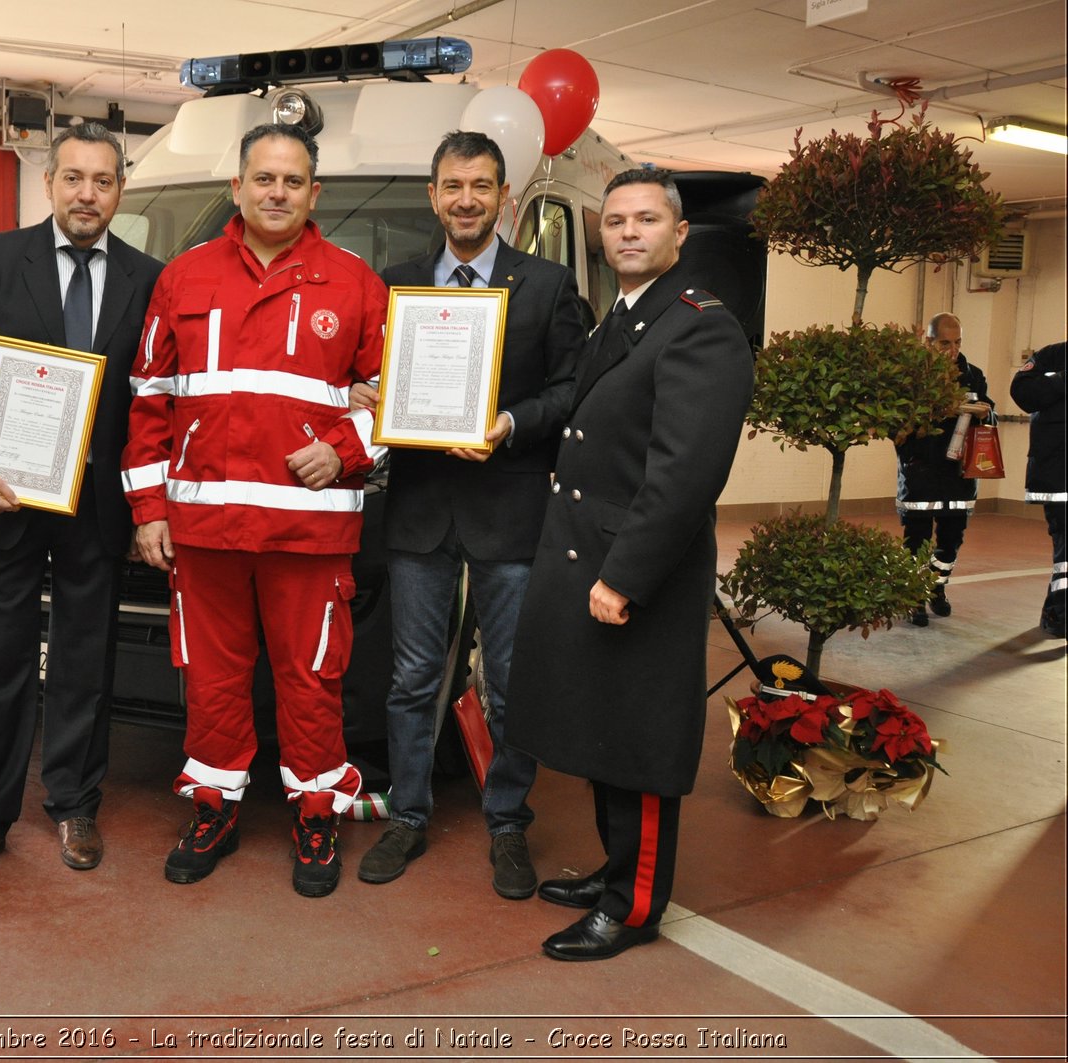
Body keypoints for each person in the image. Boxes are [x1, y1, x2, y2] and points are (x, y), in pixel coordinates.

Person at [121, 123, 388, 897]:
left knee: (310, 678)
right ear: (235, 187)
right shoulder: (184, 277)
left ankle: (315, 809)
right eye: (263, 178)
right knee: (211, 678)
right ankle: (214, 804)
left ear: (315, 194)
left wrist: (344, 449)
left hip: (308, 533)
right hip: (203, 531)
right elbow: (150, 399)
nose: (277, 192)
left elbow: (397, 396)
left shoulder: (353, 281)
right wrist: (148, 509)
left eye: (293, 180)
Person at [506, 169, 753, 961]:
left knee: (638, 740)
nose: (629, 232)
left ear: (680, 234)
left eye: (647, 219)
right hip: (589, 555)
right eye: (615, 221)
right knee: (602, 725)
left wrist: (624, 576)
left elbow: (683, 474)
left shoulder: (702, 328)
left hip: (639, 573)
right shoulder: (619, 319)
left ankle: (635, 905)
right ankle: (615, 870)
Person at [0, 123, 163, 890]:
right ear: (50, 184)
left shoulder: (149, 276)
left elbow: (161, 391)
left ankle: (74, 802)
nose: (87, 193)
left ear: (120, 190)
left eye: (103, 180)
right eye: (73, 178)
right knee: (0, 660)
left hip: (95, 506)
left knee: (88, 659)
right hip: (5, 498)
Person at [350, 131, 582, 899]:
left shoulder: (545, 286)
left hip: (509, 510)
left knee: (511, 680)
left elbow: (569, 391)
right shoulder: (396, 284)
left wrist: (509, 424)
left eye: (481, 186)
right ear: (433, 194)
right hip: (418, 512)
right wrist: (364, 395)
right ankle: (407, 815)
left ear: (502, 195)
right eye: (453, 185)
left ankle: (508, 822)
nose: (466, 200)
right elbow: (365, 377)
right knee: (412, 676)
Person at [1011, 294, 1068, 641]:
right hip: (1058, 471)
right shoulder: (1052, 355)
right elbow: (1021, 392)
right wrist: (1066, 379)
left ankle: (1055, 611)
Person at [895, 312, 994, 627]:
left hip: (959, 475)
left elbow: (989, 411)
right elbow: (898, 421)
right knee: (917, 539)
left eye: (957, 342)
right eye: (944, 343)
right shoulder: (911, 375)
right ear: (929, 341)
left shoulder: (973, 375)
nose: (952, 350)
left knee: (951, 540)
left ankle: (936, 587)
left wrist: (985, 413)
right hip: (921, 471)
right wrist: (946, 409)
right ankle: (913, 598)